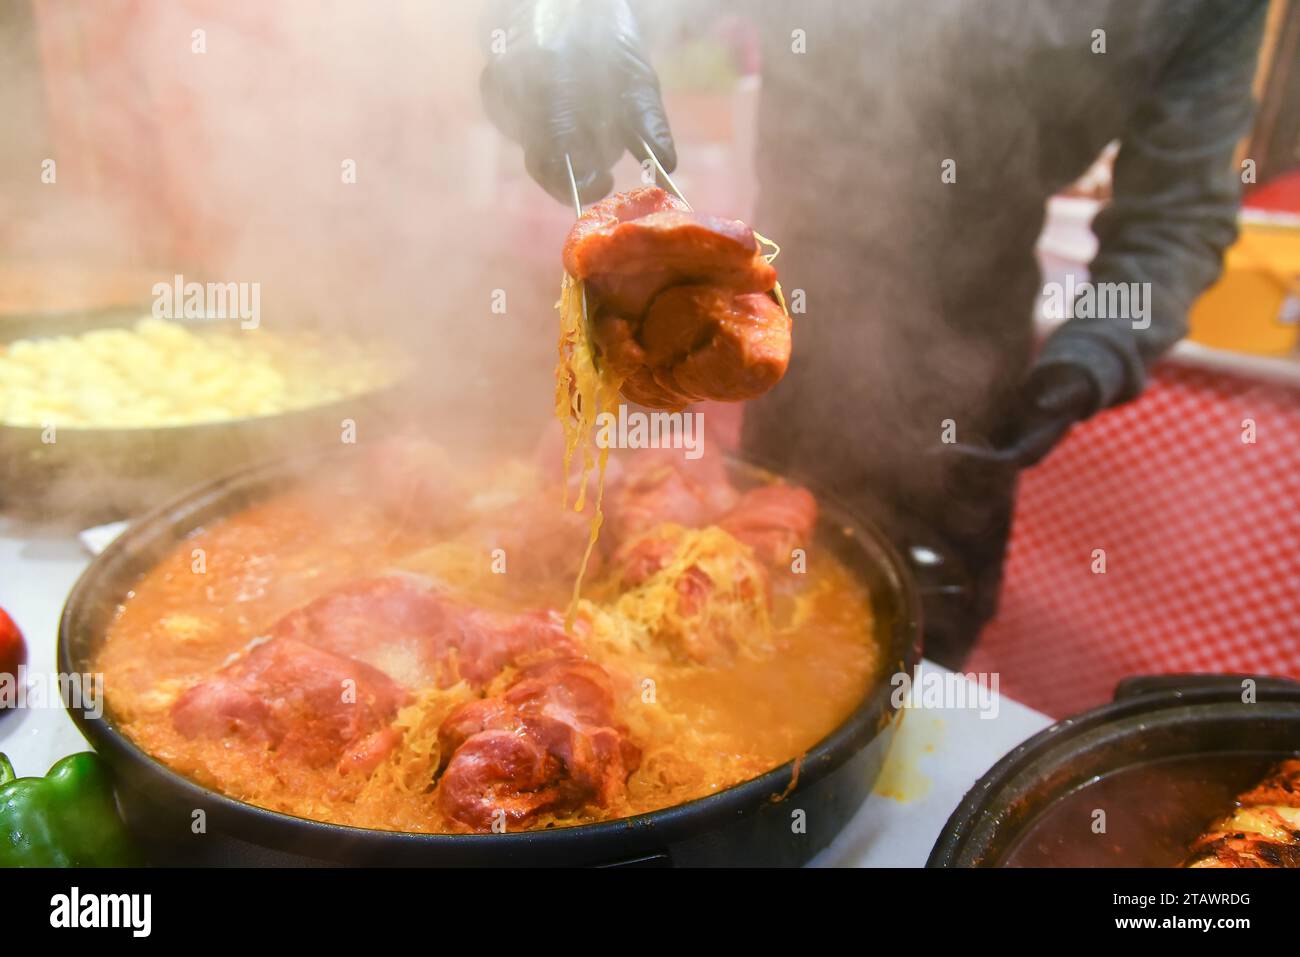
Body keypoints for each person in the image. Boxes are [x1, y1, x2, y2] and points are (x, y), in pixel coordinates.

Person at [481, 0, 1267, 666]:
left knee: (908, 661)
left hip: (971, 382)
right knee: (724, 615)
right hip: (788, 333)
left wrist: (1097, 349)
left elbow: (1177, 219)